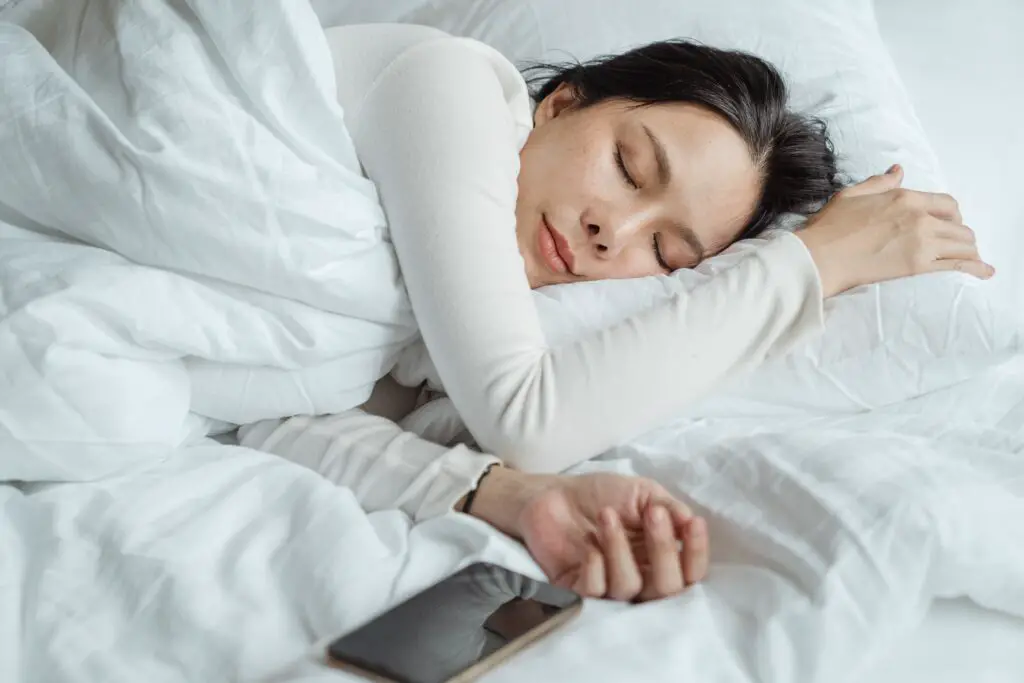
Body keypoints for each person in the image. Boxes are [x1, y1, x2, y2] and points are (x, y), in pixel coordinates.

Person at [243, 24, 993, 603]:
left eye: (666, 253)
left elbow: (269, 415)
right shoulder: (448, 83)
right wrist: (813, 264)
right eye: (630, 167)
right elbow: (526, 418)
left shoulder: (420, 330)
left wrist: (507, 495)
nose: (614, 232)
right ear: (562, 102)